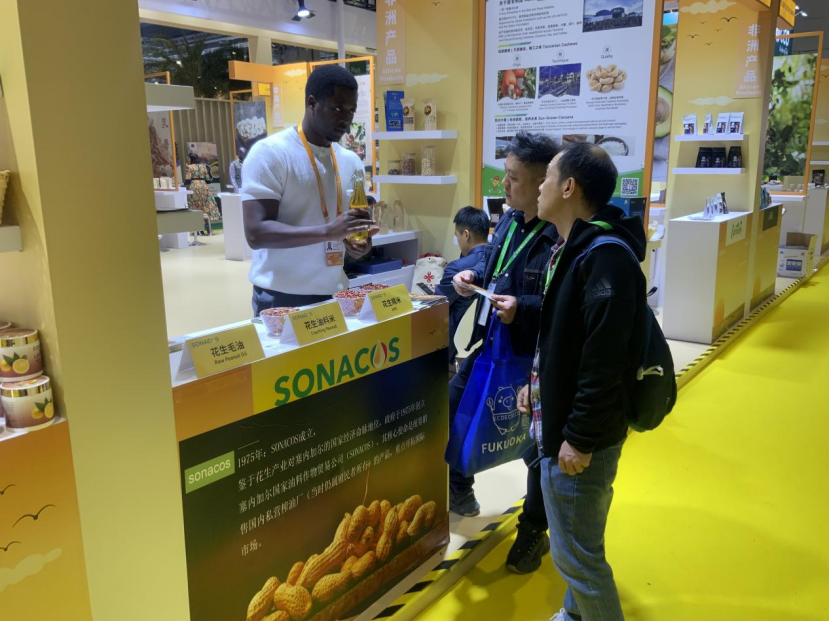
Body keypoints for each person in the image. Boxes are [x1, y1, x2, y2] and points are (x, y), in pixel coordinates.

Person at [519, 142, 648, 621]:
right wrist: (537, 386)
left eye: (547, 178)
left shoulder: (603, 256)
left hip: (579, 436)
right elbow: (566, 341)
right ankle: (576, 615)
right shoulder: (571, 247)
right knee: (579, 541)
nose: (539, 188)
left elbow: (604, 361)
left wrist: (579, 436)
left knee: (578, 558)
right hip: (565, 422)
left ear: (569, 187)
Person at [450, 131, 559, 575]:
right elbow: (493, 263)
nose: (504, 185)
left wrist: (523, 308)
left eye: (513, 178)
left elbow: (561, 304)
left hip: (532, 357)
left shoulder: (559, 234)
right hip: (492, 345)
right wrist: (472, 276)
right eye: (505, 175)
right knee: (455, 406)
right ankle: (459, 485)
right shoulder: (511, 219)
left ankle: (532, 531)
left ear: (543, 182)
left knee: (537, 448)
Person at [242, 64, 377, 315]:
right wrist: (328, 232)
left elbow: (350, 230)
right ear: (312, 103)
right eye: (337, 108)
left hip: (336, 294)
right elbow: (256, 233)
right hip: (280, 297)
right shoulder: (270, 153)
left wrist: (359, 244)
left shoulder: (351, 162)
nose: (346, 119)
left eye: (351, 110)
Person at [436, 207, 490, 368]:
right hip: (486, 336)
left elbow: (438, 306)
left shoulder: (457, 269)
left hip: (456, 341)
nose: (458, 240)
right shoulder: (497, 260)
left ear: (466, 235)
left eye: (457, 235)